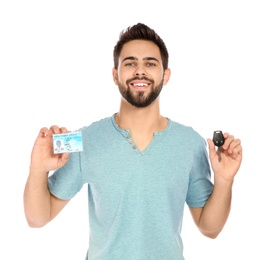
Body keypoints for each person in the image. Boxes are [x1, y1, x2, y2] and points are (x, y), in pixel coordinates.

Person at [23, 23, 243, 260]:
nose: (140, 71)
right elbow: (37, 218)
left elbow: (209, 229)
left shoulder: (190, 143)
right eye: (130, 63)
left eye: (150, 63)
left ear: (165, 75)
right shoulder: (82, 140)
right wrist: (37, 169)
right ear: (115, 75)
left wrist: (224, 180)